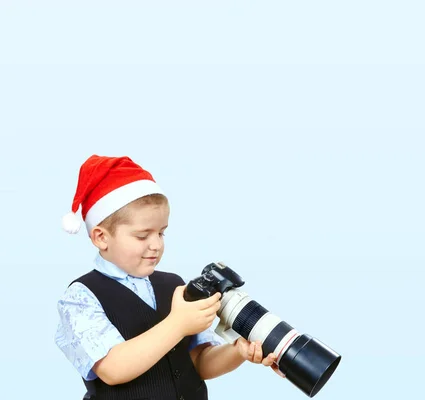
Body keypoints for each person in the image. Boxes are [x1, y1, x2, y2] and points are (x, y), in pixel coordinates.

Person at [55, 155, 282, 400]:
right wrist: (177, 324)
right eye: (142, 236)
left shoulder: (173, 284)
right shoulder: (81, 296)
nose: (156, 245)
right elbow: (112, 368)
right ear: (101, 237)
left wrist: (238, 352)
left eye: (162, 233)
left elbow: (198, 363)